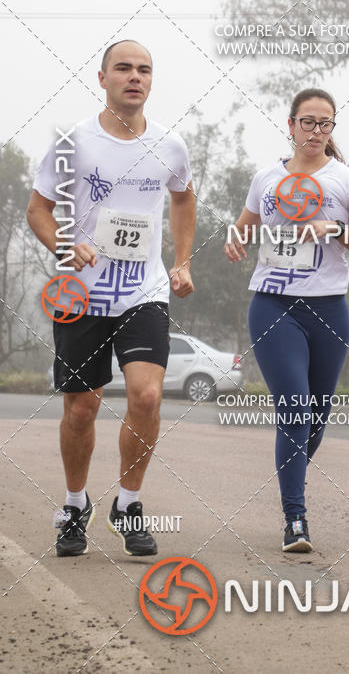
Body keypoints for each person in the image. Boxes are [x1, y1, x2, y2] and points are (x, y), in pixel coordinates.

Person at [27, 40, 196, 557]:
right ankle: (75, 506)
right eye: (123, 68)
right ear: (101, 78)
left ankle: (129, 502)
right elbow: (36, 210)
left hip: (143, 290)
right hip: (81, 294)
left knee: (146, 395)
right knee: (82, 408)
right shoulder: (70, 142)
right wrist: (63, 243)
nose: (134, 77)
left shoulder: (170, 146)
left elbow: (184, 196)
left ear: (151, 80)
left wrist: (183, 260)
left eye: (144, 69)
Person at [225, 88, 349, 551]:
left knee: (315, 418)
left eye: (325, 124)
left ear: (332, 130)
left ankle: (288, 476)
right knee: (294, 406)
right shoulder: (266, 179)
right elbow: (244, 227)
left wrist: (332, 228)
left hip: (329, 310)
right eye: (308, 122)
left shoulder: (347, 181)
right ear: (290, 125)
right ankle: (296, 517)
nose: (316, 131)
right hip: (273, 305)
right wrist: (234, 241)